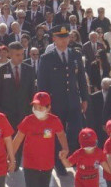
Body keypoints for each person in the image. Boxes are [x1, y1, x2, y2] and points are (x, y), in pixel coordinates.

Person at [12, 92, 68, 187]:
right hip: (30, 164)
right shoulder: (28, 121)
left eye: (41, 107)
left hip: (47, 164)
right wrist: (10, 158)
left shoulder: (54, 121)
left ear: (49, 107)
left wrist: (65, 148)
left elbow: (61, 134)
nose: (37, 109)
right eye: (35, 106)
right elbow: (17, 139)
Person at [37, 24, 89, 174]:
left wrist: (84, 98)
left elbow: (81, 78)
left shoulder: (75, 55)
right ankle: (59, 164)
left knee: (75, 132)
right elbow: (42, 83)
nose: (64, 41)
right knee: (55, 134)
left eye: (66, 37)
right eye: (61, 38)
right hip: (55, 103)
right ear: (54, 39)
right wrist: (45, 105)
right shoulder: (47, 58)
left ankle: (72, 160)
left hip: (73, 101)